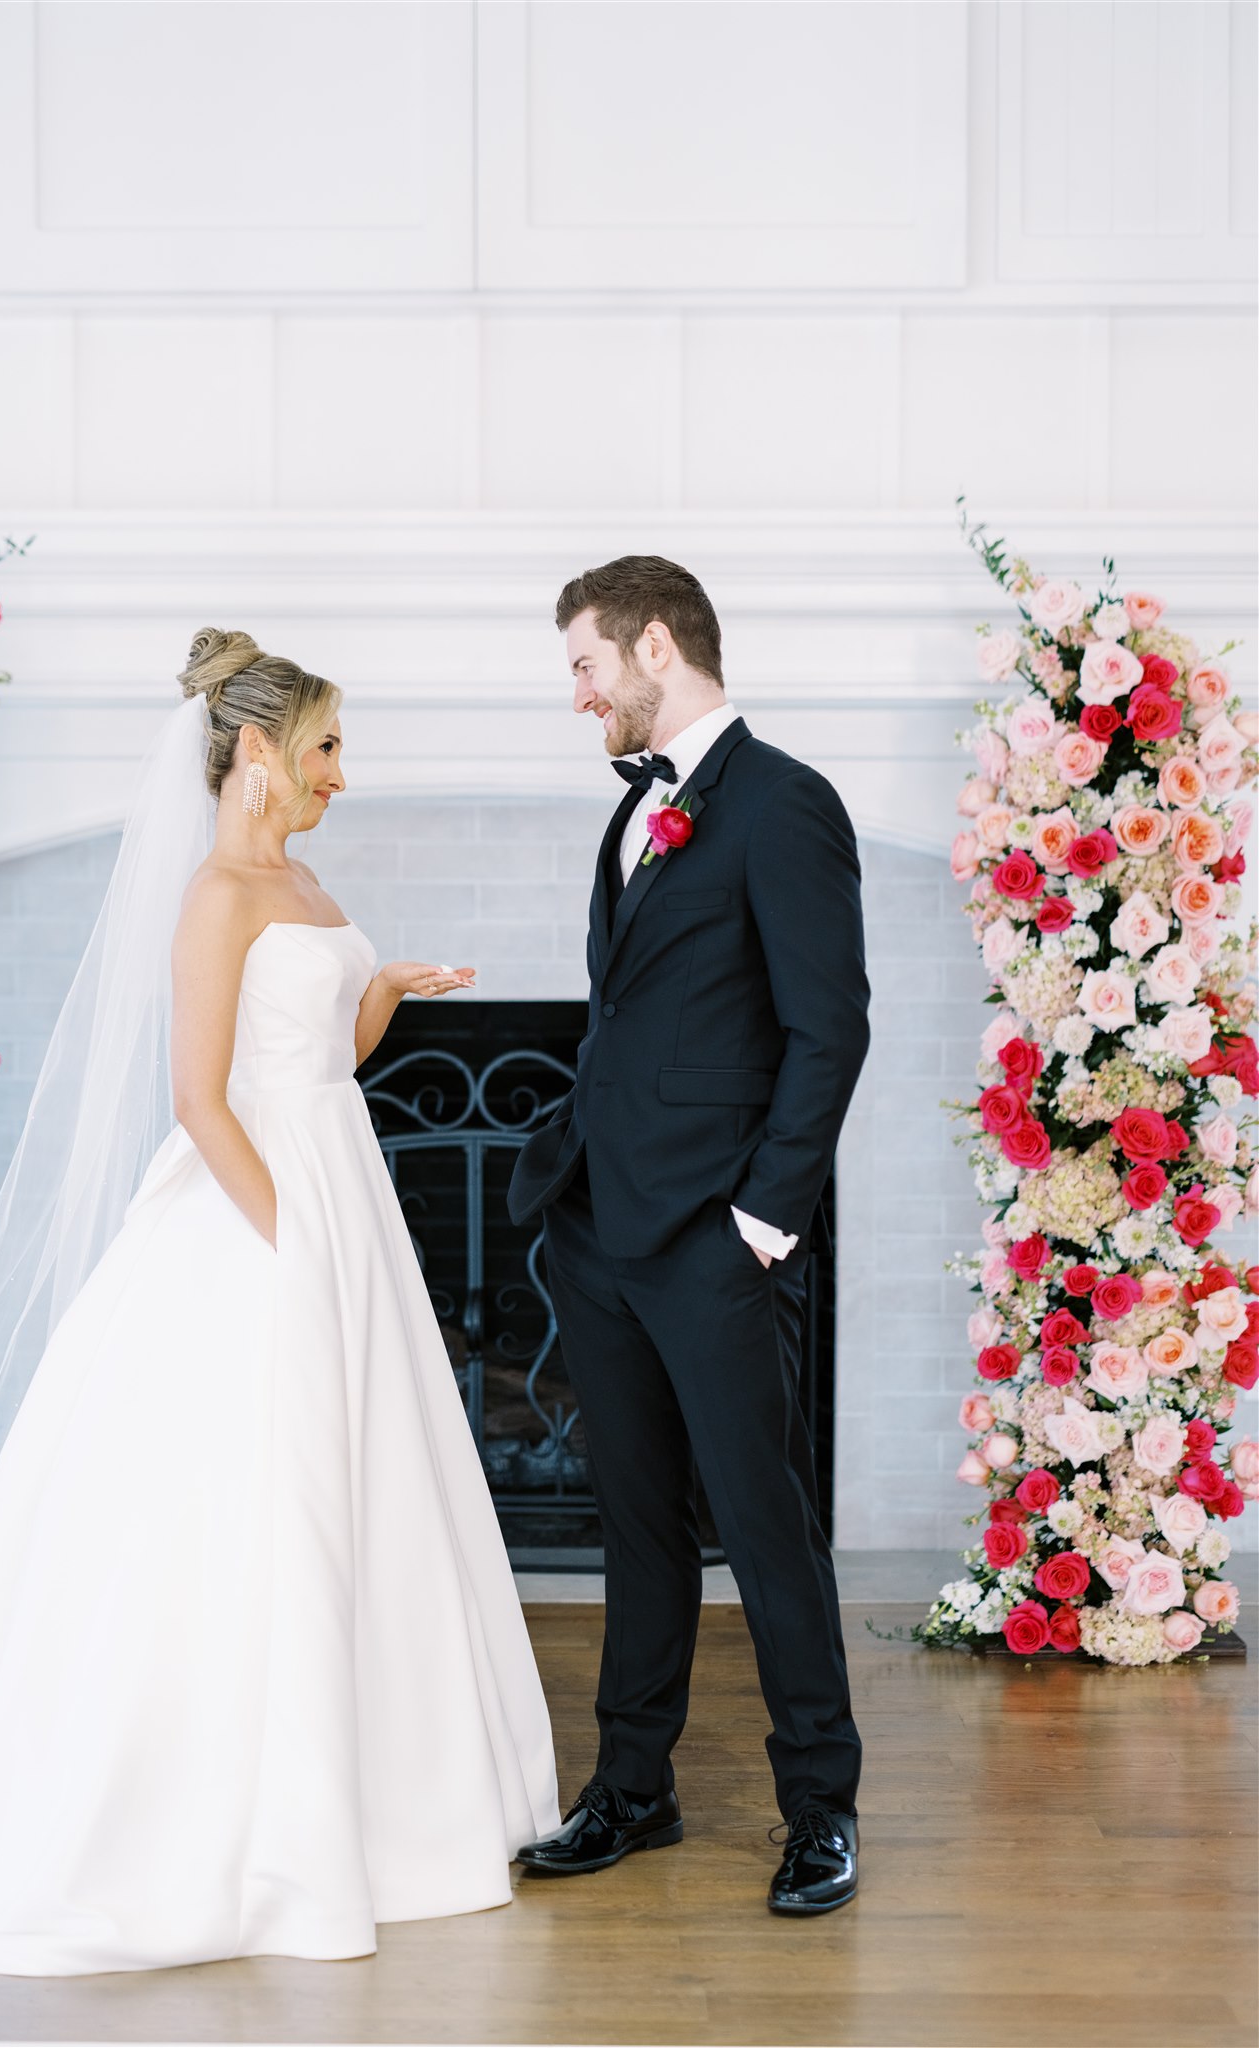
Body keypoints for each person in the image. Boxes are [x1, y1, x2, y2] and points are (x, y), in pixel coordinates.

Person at [0, 629, 560, 1975]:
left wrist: (384, 992)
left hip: (334, 1188)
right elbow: (201, 1096)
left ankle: (388, 1802)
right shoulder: (216, 893)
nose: (345, 773)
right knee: (259, 1493)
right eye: (329, 747)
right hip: (255, 1207)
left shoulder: (298, 875)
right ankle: (222, 1821)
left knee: (361, 1487)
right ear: (261, 754)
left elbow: (323, 1058)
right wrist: (289, 1238)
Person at [507, 557, 869, 1915]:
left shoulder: (786, 806)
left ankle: (821, 1806)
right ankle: (634, 1788)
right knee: (638, 1523)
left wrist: (763, 1222)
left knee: (766, 1529)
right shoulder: (633, 816)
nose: (580, 695)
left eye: (587, 666)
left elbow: (829, 1030)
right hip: (599, 1229)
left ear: (659, 645)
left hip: (717, 1237)